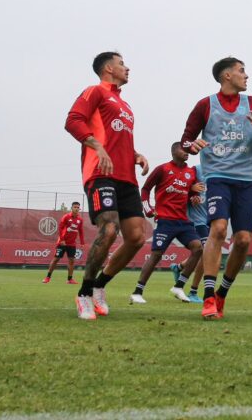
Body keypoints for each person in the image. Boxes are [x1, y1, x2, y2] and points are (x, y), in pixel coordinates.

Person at [182, 57, 252, 320]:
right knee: (219, 229)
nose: (247, 75)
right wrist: (192, 146)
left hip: (248, 179)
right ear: (226, 76)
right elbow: (185, 140)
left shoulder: (251, 103)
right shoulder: (205, 105)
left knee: (243, 240)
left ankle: (222, 293)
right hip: (218, 176)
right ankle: (208, 297)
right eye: (242, 71)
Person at [64, 52, 150, 320]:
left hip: (127, 178)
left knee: (137, 237)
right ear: (109, 68)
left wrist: (135, 154)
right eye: (122, 63)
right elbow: (73, 121)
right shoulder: (95, 92)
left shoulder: (124, 104)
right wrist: (96, 145)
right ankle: (84, 293)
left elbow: (117, 137)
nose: (127, 67)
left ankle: (100, 285)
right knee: (110, 229)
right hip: (100, 173)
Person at [129, 143, 205, 305]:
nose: (186, 153)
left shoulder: (191, 172)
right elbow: (146, 189)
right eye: (182, 150)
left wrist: (194, 195)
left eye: (188, 151)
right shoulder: (162, 169)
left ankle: (179, 286)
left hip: (184, 221)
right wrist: (148, 209)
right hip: (165, 220)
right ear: (173, 152)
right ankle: (137, 291)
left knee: (198, 248)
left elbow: (192, 193)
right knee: (156, 255)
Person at [171, 165, 209, 303]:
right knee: (206, 253)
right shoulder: (196, 170)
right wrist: (191, 191)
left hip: (210, 219)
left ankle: (179, 267)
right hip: (196, 220)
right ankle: (193, 291)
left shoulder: (220, 170)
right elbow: (178, 186)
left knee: (203, 253)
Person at [43, 202, 85, 284]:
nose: (76, 208)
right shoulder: (66, 217)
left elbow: (81, 231)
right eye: (75, 207)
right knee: (56, 259)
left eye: (78, 207)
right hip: (62, 243)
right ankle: (47, 277)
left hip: (72, 244)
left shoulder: (80, 220)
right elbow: (60, 228)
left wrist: (82, 242)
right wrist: (62, 240)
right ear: (71, 208)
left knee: (72, 260)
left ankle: (69, 279)